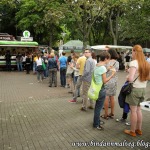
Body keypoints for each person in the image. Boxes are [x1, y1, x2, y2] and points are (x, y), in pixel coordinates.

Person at [124, 45, 150, 137]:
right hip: (143, 89)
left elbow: (131, 79)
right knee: (139, 110)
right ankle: (139, 129)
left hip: (134, 90)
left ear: (135, 52)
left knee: (133, 111)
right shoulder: (146, 63)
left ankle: (132, 131)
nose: (132, 53)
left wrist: (128, 77)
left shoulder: (134, 63)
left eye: (132, 51)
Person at [93, 51, 116, 130]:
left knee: (97, 107)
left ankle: (97, 121)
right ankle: (96, 124)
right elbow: (105, 81)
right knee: (99, 108)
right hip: (101, 89)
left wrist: (107, 69)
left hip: (96, 88)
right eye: (108, 59)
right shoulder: (102, 68)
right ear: (105, 58)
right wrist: (112, 74)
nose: (109, 61)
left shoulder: (97, 65)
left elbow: (100, 73)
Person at [101, 49, 119, 119]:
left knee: (106, 97)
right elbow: (116, 71)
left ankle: (106, 114)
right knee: (112, 97)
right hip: (114, 81)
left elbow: (103, 71)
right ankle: (112, 113)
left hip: (107, 80)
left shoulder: (106, 62)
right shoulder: (116, 62)